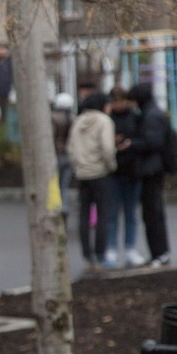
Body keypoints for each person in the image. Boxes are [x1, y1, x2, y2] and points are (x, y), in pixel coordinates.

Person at [66, 91, 117, 268]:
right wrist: (111, 166)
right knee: (103, 215)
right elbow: (107, 148)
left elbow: (70, 148)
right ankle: (100, 253)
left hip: (82, 174)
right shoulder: (104, 121)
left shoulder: (78, 121)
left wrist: (78, 167)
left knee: (83, 215)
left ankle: (87, 255)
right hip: (100, 173)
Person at [126, 82, 173, 266]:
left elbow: (153, 141)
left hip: (151, 170)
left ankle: (160, 253)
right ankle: (158, 253)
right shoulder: (152, 113)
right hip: (152, 169)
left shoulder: (151, 116)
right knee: (152, 213)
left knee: (153, 213)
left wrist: (132, 144)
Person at [105, 86, 146, 268]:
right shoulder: (107, 119)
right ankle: (111, 249)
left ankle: (130, 248)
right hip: (113, 172)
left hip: (132, 170)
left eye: (120, 100)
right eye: (114, 101)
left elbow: (142, 139)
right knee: (112, 213)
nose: (118, 104)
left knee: (131, 213)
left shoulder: (135, 117)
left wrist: (129, 143)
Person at [51, 92, 75, 222]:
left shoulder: (54, 118)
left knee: (56, 185)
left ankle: (58, 208)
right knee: (64, 185)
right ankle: (64, 207)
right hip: (70, 155)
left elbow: (51, 137)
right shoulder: (73, 118)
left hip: (57, 155)